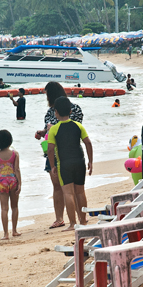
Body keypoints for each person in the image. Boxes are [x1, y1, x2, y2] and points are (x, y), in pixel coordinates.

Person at [35, 82, 84, 229]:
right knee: (57, 186)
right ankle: (59, 218)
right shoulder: (50, 111)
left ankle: (79, 218)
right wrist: (43, 132)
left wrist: (53, 127)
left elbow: (74, 127)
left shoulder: (74, 108)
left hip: (69, 152)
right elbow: (48, 130)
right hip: (53, 152)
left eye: (47, 94)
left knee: (73, 188)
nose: (46, 97)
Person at [47, 97, 94, 231]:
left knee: (68, 193)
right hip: (80, 161)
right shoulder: (78, 126)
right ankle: (83, 220)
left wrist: (52, 166)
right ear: (71, 111)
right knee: (80, 192)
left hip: (65, 164)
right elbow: (88, 143)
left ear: (56, 112)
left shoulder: (54, 130)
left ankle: (73, 223)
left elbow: (50, 149)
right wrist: (90, 161)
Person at [0, 130, 22, 240]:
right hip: (13, 181)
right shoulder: (14, 154)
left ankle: (6, 234)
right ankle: (15, 231)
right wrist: (20, 183)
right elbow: (17, 169)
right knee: (15, 207)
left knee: (4, 208)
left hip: (2, 182)